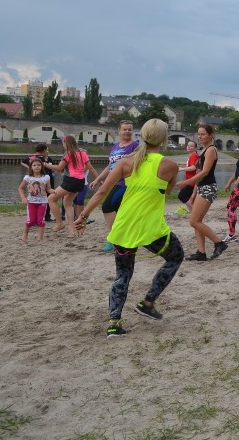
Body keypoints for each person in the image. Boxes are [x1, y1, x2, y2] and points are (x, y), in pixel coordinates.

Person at [73, 119, 184, 338]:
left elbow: (101, 191)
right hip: (151, 229)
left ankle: (114, 322)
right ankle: (148, 302)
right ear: (163, 139)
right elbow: (169, 191)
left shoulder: (125, 162)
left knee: (122, 276)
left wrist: (83, 216)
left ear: (141, 136)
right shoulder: (170, 166)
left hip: (124, 227)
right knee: (176, 257)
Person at [175, 124, 227, 261]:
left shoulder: (211, 150)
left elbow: (205, 172)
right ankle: (201, 252)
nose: (200, 136)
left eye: (203, 134)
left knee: (194, 221)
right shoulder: (203, 150)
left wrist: (186, 183)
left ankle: (219, 242)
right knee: (197, 221)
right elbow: (199, 172)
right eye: (198, 134)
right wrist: (193, 192)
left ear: (211, 135)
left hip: (209, 187)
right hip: (202, 187)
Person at [89, 120, 139, 252]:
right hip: (113, 181)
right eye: (124, 129)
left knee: (107, 207)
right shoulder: (115, 146)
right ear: (119, 131)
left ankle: (113, 239)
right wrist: (98, 178)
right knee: (119, 212)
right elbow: (110, 166)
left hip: (125, 183)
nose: (127, 131)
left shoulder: (135, 146)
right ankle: (123, 238)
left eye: (129, 129)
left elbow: (139, 164)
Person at [44, 135, 99, 236]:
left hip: (71, 180)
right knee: (67, 202)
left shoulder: (68, 154)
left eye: (63, 144)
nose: (63, 146)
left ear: (66, 143)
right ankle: (71, 229)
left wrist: (47, 165)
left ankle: (59, 223)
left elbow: (60, 168)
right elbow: (90, 168)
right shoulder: (83, 153)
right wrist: (99, 179)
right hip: (80, 181)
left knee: (51, 199)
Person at [19, 158, 52, 242]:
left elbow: (48, 189)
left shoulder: (46, 177)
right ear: (31, 167)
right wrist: (23, 197)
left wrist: (53, 191)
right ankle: (25, 235)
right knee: (31, 221)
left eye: (38, 165)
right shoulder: (28, 178)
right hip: (31, 202)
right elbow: (21, 188)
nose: (36, 167)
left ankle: (40, 238)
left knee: (40, 221)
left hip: (43, 202)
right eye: (34, 165)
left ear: (41, 167)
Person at [20, 143, 56, 221]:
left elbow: (22, 162)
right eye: (47, 150)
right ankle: (46, 216)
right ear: (44, 150)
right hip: (46, 179)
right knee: (47, 196)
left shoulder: (32, 157)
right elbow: (53, 168)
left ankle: (38, 216)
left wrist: (29, 168)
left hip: (41, 179)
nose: (47, 151)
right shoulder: (46, 159)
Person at [177, 140, 199, 212]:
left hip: (191, 182)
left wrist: (182, 169)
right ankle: (192, 213)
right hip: (190, 181)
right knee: (190, 199)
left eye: (191, 146)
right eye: (188, 145)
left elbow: (193, 167)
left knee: (181, 196)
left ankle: (194, 212)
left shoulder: (194, 155)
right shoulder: (192, 156)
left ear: (195, 148)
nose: (189, 147)